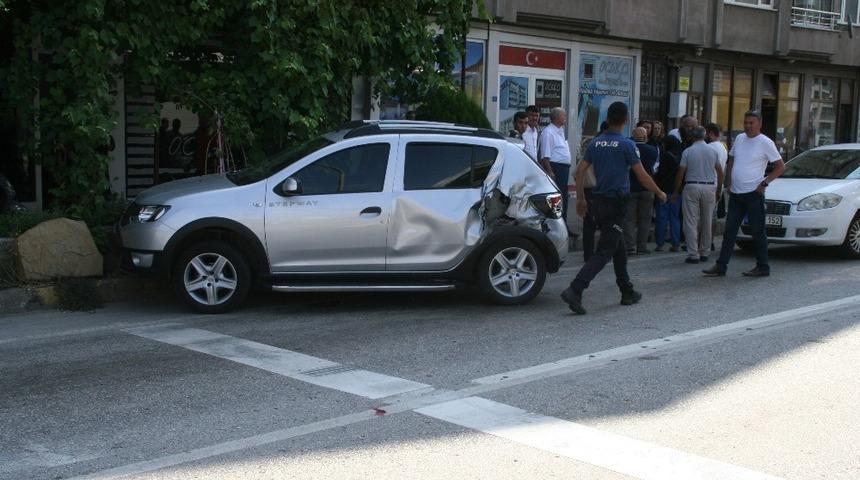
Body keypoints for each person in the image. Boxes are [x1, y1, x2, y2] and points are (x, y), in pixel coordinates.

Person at [561, 102, 667, 315]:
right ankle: (576, 288)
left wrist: (581, 198)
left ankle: (627, 291)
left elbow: (579, 172)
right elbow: (642, 175)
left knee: (618, 248)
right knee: (605, 251)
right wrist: (659, 192)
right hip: (616, 203)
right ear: (626, 120)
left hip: (597, 202)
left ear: (608, 119)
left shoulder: (595, 143)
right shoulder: (627, 145)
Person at [703, 111, 785, 278]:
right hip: (736, 193)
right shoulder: (740, 138)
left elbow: (780, 166)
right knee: (730, 231)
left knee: (757, 232)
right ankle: (721, 266)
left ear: (759, 124)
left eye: (751, 123)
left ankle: (763, 266)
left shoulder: (765, 142)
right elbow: (731, 159)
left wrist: (764, 183)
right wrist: (729, 182)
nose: (748, 126)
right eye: (746, 122)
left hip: (753, 193)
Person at [673, 126, 724, 264]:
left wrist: (676, 191)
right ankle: (705, 251)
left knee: (690, 221)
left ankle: (693, 253)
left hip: (691, 186)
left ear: (691, 137)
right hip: (709, 187)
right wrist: (719, 190)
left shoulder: (688, 151)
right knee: (707, 220)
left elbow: (681, 172)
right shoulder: (712, 151)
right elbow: (720, 172)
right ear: (704, 136)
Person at [624, 127, 658, 255]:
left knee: (629, 219)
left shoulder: (629, 149)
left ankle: (629, 246)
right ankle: (642, 247)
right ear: (645, 137)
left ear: (633, 137)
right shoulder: (652, 150)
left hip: (631, 187)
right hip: (647, 188)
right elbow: (655, 166)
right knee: (645, 218)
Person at [539, 107, 572, 229]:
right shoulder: (548, 132)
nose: (565, 118)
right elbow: (545, 155)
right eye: (564, 115)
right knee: (557, 199)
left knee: (564, 197)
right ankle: (556, 226)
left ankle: (564, 225)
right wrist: (550, 171)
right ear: (557, 117)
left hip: (563, 168)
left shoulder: (560, 131)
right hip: (556, 168)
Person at [582, 121, 609, 262]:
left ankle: (589, 254)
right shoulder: (601, 145)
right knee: (602, 223)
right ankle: (597, 253)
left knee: (590, 223)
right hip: (597, 189)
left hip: (592, 189)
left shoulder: (593, 143)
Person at [654, 135, 682, 252]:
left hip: (664, 190)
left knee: (662, 217)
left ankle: (660, 243)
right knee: (675, 218)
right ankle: (676, 243)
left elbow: (660, 173)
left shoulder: (665, 156)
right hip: (676, 191)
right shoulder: (679, 156)